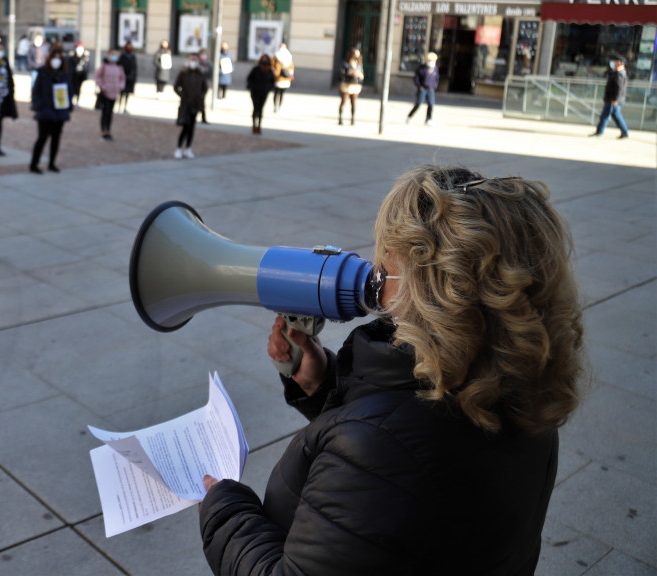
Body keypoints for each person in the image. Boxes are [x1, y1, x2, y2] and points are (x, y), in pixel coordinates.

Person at [200, 165, 584, 576]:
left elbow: (392, 457)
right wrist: (323, 384)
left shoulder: (376, 449)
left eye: (386, 269)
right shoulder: (523, 383)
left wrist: (225, 508)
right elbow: (410, 464)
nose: (376, 283)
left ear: (433, 291)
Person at [29, 43, 71, 173]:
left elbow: (70, 91)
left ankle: (52, 163)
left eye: (59, 58)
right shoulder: (42, 72)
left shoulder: (64, 74)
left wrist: (67, 107)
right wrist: (39, 105)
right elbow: (35, 91)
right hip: (45, 110)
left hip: (60, 110)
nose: (56, 60)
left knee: (56, 139)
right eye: (54, 57)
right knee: (42, 138)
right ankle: (34, 164)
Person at [174, 52, 208, 160]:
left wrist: (200, 97)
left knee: (192, 127)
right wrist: (183, 96)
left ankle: (188, 148)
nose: (193, 61)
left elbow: (205, 88)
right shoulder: (184, 72)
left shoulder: (200, 73)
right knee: (185, 126)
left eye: (195, 59)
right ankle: (179, 148)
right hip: (186, 104)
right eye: (191, 59)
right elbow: (176, 86)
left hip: (196, 105)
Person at [590, 55, 630, 139]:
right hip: (611, 98)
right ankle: (625, 132)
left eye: (615, 61)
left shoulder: (620, 73)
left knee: (605, 115)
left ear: (619, 62)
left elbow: (619, 88)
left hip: (613, 99)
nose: (613, 63)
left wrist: (615, 99)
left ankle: (599, 132)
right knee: (616, 116)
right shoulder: (616, 72)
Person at [94, 49, 126, 141]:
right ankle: (104, 130)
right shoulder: (104, 65)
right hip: (106, 93)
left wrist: (120, 86)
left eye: (115, 54)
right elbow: (97, 77)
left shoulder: (119, 66)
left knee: (110, 113)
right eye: (112, 54)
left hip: (115, 93)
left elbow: (122, 78)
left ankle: (108, 130)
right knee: (105, 112)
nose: (113, 56)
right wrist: (103, 86)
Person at [407, 51, 440, 126]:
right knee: (419, 103)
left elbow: (437, 78)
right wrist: (419, 86)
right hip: (422, 88)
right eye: (430, 60)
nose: (431, 62)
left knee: (431, 104)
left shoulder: (435, 69)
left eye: (433, 60)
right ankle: (409, 116)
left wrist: (435, 86)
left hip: (431, 88)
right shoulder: (421, 68)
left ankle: (428, 119)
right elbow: (416, 78)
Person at [245, 54, 275, 135]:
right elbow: (249, 79)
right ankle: (254, 126)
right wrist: (252, 87)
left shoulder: (270, 71)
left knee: (261, 109)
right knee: (255, 108)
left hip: (264, 92)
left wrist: (269, 88)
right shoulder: (256, 69)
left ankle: (259, 126)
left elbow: (272, 81)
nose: (265, 64)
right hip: (255, 92)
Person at [338, 47, 364, 126]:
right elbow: (342, 73)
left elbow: (362, 75)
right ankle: (340, 118)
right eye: (355, 55)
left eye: (358, 56)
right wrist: (350, 73)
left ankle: (352, 119)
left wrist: (359, 75)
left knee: (353, 102)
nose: (356, 57)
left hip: (355, 86)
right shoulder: (345, 63)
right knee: (344, 101)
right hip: (346, 85)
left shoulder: (359, 65)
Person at [67, 40, 91, 107]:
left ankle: (77, 101)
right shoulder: (72, 57)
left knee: (78, 89)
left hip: (81, 76)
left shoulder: (85, 57)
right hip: (73, 76)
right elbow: (69, 67)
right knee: (72, 88)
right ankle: (71, 101)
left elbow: (87, 67)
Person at [273, 41, 294, 113]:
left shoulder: (288, 56)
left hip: (284, 77)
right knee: (277, 92)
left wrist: (291, 75)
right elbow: (272, 64)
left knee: (280, 93)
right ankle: (276, 106)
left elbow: (291, 67)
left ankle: (278, 106)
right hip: (278, 77)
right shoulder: (277, 55)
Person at [117, 43, 138, 114]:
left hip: (130, 79)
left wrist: (133, 77)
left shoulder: (133, 57)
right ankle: (119, 107)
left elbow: (134, 68)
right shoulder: (123, 56)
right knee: (122, 93)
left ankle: (125, 107)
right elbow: (119, 66)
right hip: (123, 77)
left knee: (127, 94)